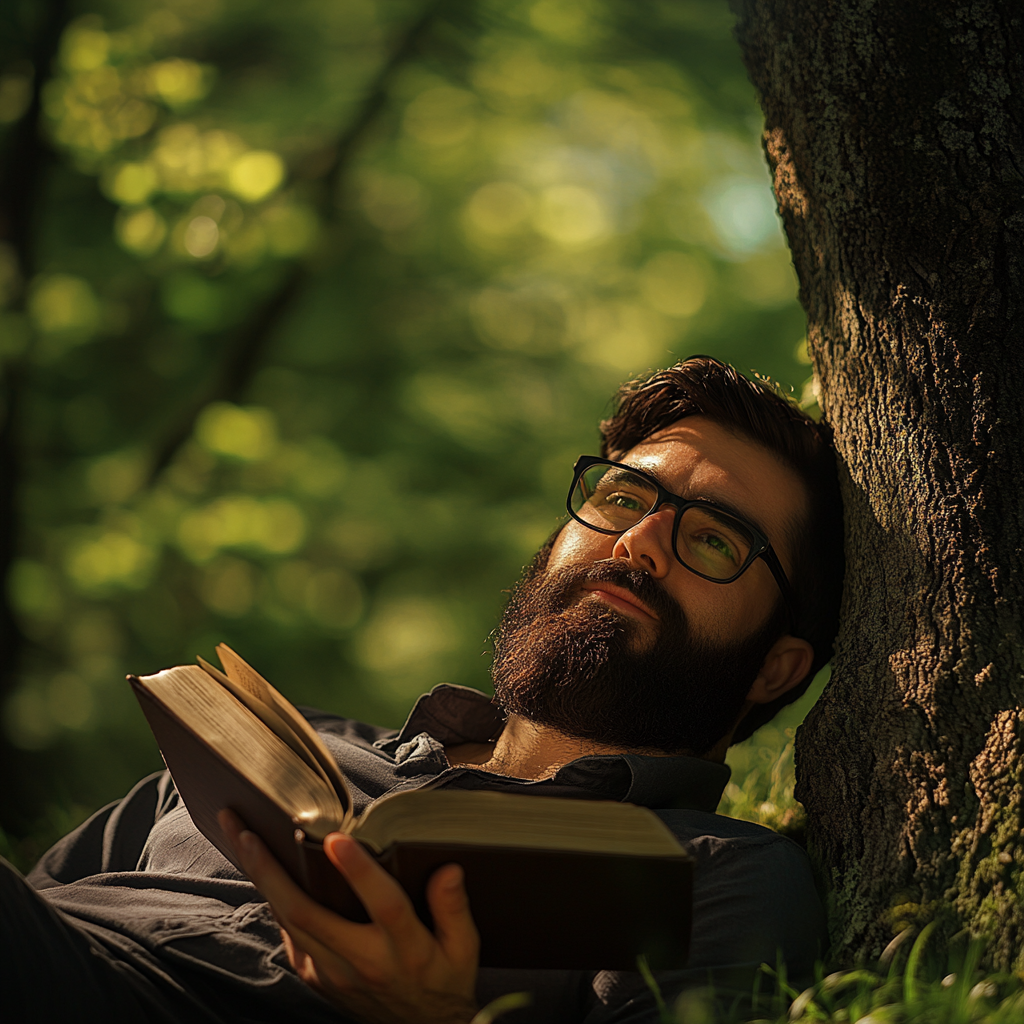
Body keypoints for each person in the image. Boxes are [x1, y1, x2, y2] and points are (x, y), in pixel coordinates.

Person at [3, 356, 844, 1024]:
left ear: (777, 665)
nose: (639, 543)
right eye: (624, 497)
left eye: (714, 539)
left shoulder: (715, 876)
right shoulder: (290, 747)